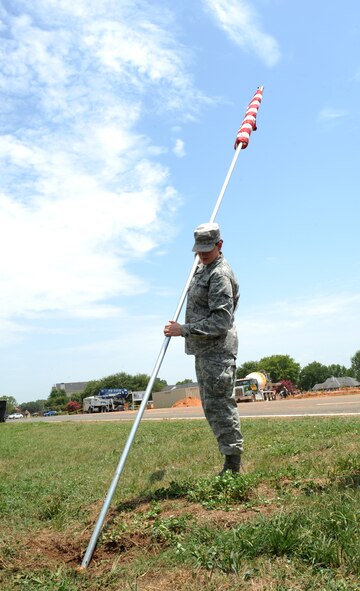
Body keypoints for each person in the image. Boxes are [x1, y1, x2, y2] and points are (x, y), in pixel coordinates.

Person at [164, 222, 243, 474]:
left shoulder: (219, 274)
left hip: (217, 351)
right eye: (199, 250)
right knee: (211, 406)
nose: (203, 254)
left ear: (220, 245)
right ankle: (229, 460)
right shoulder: (202, 267)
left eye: (208, 249)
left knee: (221, 406)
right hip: (205, 351)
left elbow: (222, 321)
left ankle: (233, 466)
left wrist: (183, 329)